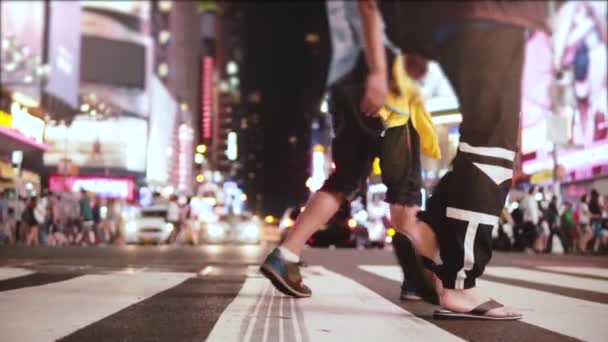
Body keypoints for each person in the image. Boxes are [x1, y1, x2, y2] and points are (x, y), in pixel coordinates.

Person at [359, 0, 549, 319]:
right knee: (492, 146)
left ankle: (432, 234)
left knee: (480, 138)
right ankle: (459, 281)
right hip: (493, 15)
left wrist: (411, 38)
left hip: (455, 21)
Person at [260, 0, 442, 303]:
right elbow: (370, 7)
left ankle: (286, 254)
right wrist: (379, 72)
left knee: (345, 179)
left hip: (345, 78)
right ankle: (440, 282)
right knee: (406, 201)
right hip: (381, 80)